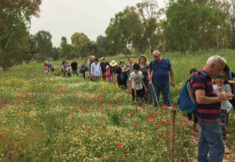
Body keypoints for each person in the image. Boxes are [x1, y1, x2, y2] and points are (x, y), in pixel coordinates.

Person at [190, 55, 233, 162]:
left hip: (208, 116)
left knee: (204, 142)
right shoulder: (201, 77)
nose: (219, 73)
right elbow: (200, 99)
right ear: (212, 65)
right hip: (208, 118)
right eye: (219, 69)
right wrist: (219, 98)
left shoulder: (206, 76)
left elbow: (207, 96)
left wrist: (220, 96)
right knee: (218, 147)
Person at [213, 74, 232, 154]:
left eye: (221, 82)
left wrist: (224, 94)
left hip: (223, 109)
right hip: (214, 109)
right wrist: (218, 95)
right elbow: (210, 96)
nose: (219, 83)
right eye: (218, 82)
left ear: (223, 80)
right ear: (215, 81)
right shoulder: (213, 87)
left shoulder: (226, 86)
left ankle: (224, 144)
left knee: (222, 126)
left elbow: (231, 96)